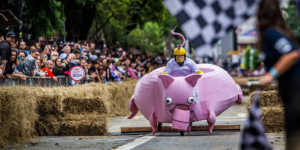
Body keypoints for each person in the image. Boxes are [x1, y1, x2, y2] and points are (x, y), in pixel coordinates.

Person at [257, 0, 300, 149]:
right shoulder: (277, 31)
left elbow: (291, 54)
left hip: (295, 89)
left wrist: (271, 75)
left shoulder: (271, 33)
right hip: (290, 90)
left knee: (295, 136)